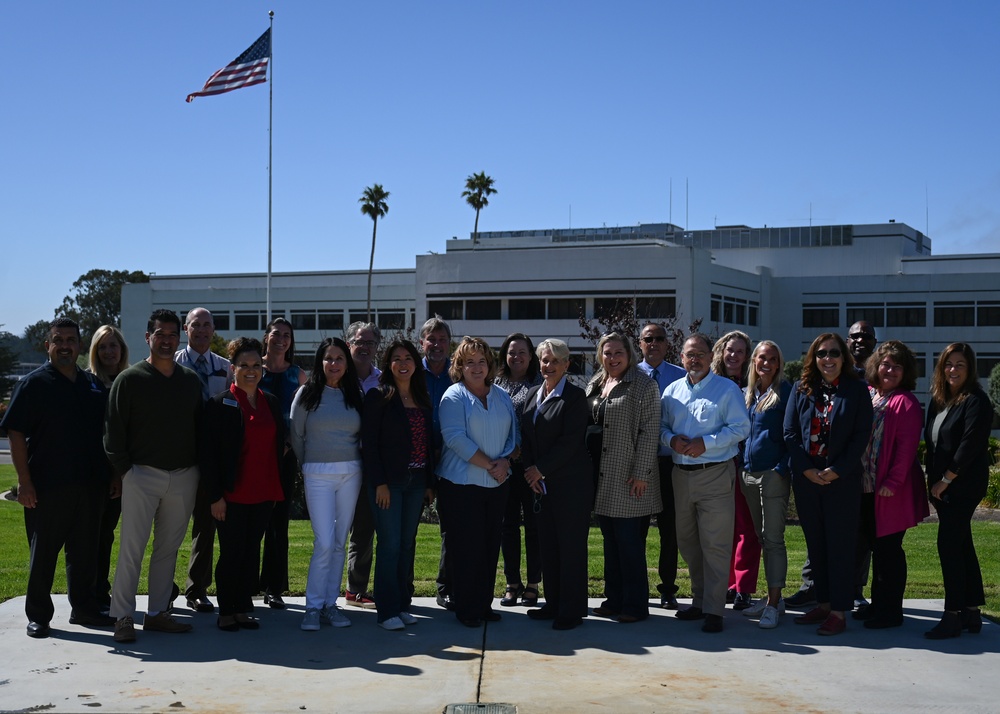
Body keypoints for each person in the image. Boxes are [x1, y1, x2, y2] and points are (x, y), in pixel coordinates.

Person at [2, 318, 115, 638]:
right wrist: (24, 482)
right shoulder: (33, 384)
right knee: (43, 555)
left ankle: (85, 609)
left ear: (80, 345)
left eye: (70, 339)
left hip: (90, 486)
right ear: (47, 345)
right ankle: (38, 615)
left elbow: (105, 435)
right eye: (58, 340)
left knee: (85, 555)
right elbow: (15, 434)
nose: (65, 345)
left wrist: (112, 476)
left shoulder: (91, 385)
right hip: (47, 487)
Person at [105, 309, 204, 643]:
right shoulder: (129, 380)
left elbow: (199, 430)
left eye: (172, 335)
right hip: (141, 474)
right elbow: (113, 433)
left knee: (168, 549)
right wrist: (126, 472)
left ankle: (158, 612)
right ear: (148, 338)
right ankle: (122, 617)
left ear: (180, 338)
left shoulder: (190, 381)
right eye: (160, 334)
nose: (166, 340)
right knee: (132, 548)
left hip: (184, 475)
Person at [784, 333, 873, 636]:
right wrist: (807, 471)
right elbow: (790, 434)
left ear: (843, 357)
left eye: (834, 353)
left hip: (842, 481)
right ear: (814, 357)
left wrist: (838, 469)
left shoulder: (857, 391)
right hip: (808, 480)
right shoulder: (801, 389)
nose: (828, 359)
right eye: (822, 353)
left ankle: (838, 611)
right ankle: (822, 603)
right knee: (817, 544)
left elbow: (862, 435)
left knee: (840, 546)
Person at [662, 334, 750, 634]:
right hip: (680, 475)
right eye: (689, 354)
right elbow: (661, 427)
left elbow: (741, 427)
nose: (695, 359)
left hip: (714, 472)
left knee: (715, 543)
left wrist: (707, 443)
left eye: (700, 354)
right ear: (682, 357)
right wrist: (670, 439)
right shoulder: (672, 391)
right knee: (688, 542)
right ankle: (699, 601)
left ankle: (714, 609)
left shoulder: (726, 390)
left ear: (711, 355)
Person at [201, 337, 285, 632]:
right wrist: (215, 497)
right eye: (243, 365)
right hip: (231, 494)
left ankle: (242, 608)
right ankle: (226, 609)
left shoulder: (270, 402)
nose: (251, 371)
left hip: (264, 492)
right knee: (232, 552)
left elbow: (278, 447)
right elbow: (208, 455)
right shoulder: (219, 404)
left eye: (256, 365)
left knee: (251, 553)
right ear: (233, 368)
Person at [436, 336, 518, 627]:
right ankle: (466, 609)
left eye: (481, 361)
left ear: (490, 365)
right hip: (461, 486)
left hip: (497, 484)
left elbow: (514, 437)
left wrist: (505, 462)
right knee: (466, 548)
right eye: (469, 362)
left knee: (488, 546)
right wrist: (491, 465)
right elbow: (455, 439)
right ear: (459, 366)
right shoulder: (453, 396)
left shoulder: (502, 396)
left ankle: (483, 604)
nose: (476, 367)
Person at [852, 340, 928, 630]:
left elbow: (907, 450)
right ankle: (877, 605)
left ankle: (890, 612)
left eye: (898, 366)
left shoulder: (905, 402)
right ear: (876, 365)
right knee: (875, 548)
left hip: (889, 491)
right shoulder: (869, 394)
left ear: (905, 372)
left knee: (889, 552)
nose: (890, 370)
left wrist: (893, 482)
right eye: (886, 364)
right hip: (866, 488)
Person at [291, 338, 365, 631]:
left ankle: (329, 606)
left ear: (347, 363)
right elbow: (296, 435)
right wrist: (307, 464)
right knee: (323, 542)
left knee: (338, 542)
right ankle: (312, 607)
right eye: (328, 358)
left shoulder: (354, 394)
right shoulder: (306, 393)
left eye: (339, 358)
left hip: (351, 474)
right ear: (320, 362)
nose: (333, 364)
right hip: (317, 474)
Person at [587, 332, 661, 624]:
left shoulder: (644, 385)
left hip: (629, 477)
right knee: (610, 543)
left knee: (629, 545)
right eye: (607, 353)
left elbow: (649, 432)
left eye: (618, 353)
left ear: (629, 354)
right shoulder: (597, 382)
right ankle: (613, 599)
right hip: (601, 477)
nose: (612, 358)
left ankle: (634, 606)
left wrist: (641, 473)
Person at [361, 339, 435, 631]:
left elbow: (428, 444)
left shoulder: (422, 397)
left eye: (408, 358)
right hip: (388, 484)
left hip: (417, 483)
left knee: (407, 545)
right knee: (390, 545)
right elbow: (370, 445)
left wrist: (429, 483)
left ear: (416, 363)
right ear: (388, 364)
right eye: (396, 358)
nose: (403, 363)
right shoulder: (378, 396)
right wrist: (379, 483)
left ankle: (403, 605)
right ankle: (386, 610)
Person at [521, 339, 593, 631]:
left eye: (554, 361)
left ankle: (571, 609)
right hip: (541, 485)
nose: (547, 366)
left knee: (570, 547)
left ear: (566, 364)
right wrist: (530, 471)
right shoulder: (531, 395)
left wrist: (540, 469)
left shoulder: (576, 397)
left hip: (571, 486)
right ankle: (552, 604)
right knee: (547, 545)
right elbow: (525, 436)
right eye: (543, 360)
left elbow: (570, 442)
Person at [923, 343, 993, 639]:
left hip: (961, 486)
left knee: (949, 546)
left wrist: (947, 479)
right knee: (962, 544)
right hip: (943, 486)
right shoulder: (940, 400)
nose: (953, 369)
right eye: (948, 364)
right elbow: (933, 443)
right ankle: (972, 612)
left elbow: (969, 446)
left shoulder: (977, 400)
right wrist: (934, 480)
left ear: (970, 368)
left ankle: (952, 616)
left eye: (960, 364)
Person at [173, 307, 232, 614]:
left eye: (207, 325)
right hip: (177, 458)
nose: (202, 330)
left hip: (211, 461)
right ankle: (164, 588)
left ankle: (197, 589)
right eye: (196, 324)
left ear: (213, 330)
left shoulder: (226, 367)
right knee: (169, 525)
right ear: (187, 329)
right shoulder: (171, 364)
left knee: (205, 525)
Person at [738, 341, 792, 629]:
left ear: (779, 363)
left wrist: (781, 468)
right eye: (762, 358)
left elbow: (794, 434)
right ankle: (774, 597)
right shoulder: (747, 393)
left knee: (773, 539)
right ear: (754, 362)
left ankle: (772, 605)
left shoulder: (786, 393)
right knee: (761, 538)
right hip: (747, 474)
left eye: (772, 358)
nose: (767, 363)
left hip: (773, 475)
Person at [258, 317, 308, 609]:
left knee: (278, 524)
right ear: (266, 337)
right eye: (276, 333)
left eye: (287, 335)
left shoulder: (297, 375)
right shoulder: (251, 369)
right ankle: (247, 582)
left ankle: (274, 587)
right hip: (252, 457)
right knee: (251, 521)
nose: (281, 339)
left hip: (285, 457)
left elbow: (302, 417)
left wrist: (290, 443)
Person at [636, 323, 685, 610]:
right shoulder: (629, 376)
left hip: (669, 463)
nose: (654, 343)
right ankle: (638, 587)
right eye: (648, 339)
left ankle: (668, 588)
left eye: (659, 339)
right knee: (638, 529)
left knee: (670, 530)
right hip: (639, 463)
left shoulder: (681, 377)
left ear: (668, 345)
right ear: (640, 344)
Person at [495, 332, 544, 608]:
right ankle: (512, 583)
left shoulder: (539, 383)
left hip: (531, 467)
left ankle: (534, 584)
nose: (516, 357)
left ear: (531, 356)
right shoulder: (497, 383)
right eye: (512, 352)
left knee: (534, 527)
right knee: (507, 527)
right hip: (504, 467)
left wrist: (522, 450)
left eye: (522, 352)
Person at [711, 330, 758, 611]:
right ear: (721, 351)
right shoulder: (710, 383)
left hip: (744, 465)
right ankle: (726, 583)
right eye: (730, 349)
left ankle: (743, 587)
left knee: (746, 529)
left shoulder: (753, 386)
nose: (734, 355)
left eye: (740, 351)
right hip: (715, 464)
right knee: (720, 529)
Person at [87, 325, 130, 613]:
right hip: (88, 471)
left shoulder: (130, 381)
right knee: (87, 535)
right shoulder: (85, 382)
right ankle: (87, 591)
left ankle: (101, 591)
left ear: (122, 349)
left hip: (118, 471)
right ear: (95, 351)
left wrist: (119, 473)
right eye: (102, 346)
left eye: (113, 345)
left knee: (106, 535)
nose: (108, 351)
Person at [420, 316, 458, 611]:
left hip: (449, 457)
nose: (437, 345)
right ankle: (400, 588)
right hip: (415, 459)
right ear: (423, 343)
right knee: (403, 530)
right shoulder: (408, 371)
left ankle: (447, 587)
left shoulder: (457, 375)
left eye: (442, 340)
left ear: (449, 344)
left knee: (451, 527)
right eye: (431, 339)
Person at [344, 321, 382, 610]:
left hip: (371, 464)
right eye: (360, 341)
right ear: (348, 344)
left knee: (364, 529)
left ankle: (356, 589)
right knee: (333, 532)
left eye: (370, 342)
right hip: (340, 464)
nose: (365, 347)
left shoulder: (383, 381)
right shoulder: (337, 378)